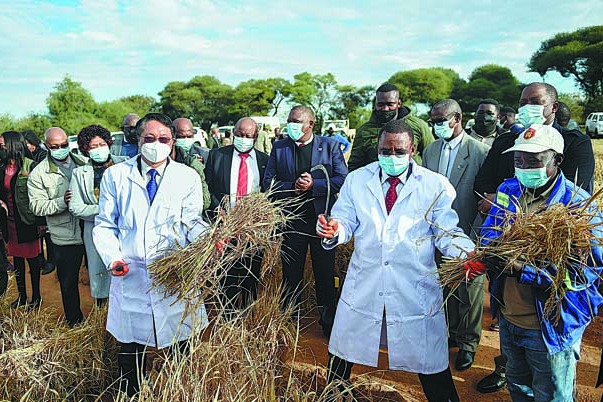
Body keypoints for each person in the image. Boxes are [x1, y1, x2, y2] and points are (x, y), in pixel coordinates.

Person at [317, 119, 479, 402]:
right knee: (342, 354)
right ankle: (332, 396)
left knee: (429, 360)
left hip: (412, 286)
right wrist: (335, 229)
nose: (391, 157)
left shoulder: (434, 185)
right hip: (365, 282)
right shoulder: (358, 180)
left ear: (413, 148)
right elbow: (344, 219)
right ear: (377, 148)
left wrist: (466, 253)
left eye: (398, 151)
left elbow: (446, 231)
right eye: (385, 151)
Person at [474, 82, 595, 394]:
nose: (524, 166)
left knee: (552, 394)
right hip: (510, 320)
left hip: (550, 327)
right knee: (518, 388)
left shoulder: (576, 205)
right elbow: (490, 233)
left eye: (534, 160)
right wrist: (486, 254)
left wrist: (523, 269)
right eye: (519, 159)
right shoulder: (507, 191)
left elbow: (586, 274)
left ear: (556, 160)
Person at [93, 113, 209, 397]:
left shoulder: (187, 177)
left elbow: (192, 222)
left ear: (172, 143)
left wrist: (209, 241)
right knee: (131, 344)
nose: (156, 144)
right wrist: (113, 259)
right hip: (131, 271)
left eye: (163, 139)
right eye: (149, 138)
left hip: (175, 273)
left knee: (181, 339)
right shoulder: (116, 176)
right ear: (138, 139)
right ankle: (130, 392)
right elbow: (105, 225)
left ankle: (179, 390)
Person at [263, 105, 347, 337]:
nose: (292, 125)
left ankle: (328, 323)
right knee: (291, 274)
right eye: (290, 120)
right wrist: (293, 188)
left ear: (311, 124)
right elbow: (267, 183)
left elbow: (342, 178)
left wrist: (315, 185)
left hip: (322, 223)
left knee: (324, 274)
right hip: (292, 222)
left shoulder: (330, 146)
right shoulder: (279, 147)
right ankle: (289, 321)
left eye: (297, 121)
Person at [422, 99, 490, 371]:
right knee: (445, 286)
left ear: (457, 118)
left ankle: (468, 344)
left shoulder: (480, 152)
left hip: (468, 230)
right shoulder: (430, 151)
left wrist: (474, 235)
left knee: (471, 291)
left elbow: (484, 198)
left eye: (441, 120)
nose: (437, 126)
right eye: (433, 121)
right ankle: (450, 334)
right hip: (437, 233)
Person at [204, 117, 269, 315]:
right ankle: (227, 313)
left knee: (251, 270)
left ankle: (248, 310)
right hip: (225, 225)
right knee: (226, 272)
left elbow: (268, 192)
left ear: (255, 137)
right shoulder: (217, 156)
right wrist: (217, 210)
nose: (243, 138)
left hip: (252, 229)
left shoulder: (264, 161)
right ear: (233, 133)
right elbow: (207, 187)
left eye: (248, 136)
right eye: (239, 134)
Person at [28, 127, 87, 326]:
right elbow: (36, 206)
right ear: (46, 146)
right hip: (64, 236)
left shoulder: (83, 163)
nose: (61, 149)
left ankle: (103, 319)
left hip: (90, 231)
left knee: (100, 278)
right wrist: (62, 201)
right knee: (68, 282)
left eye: (64, 145)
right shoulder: (39, 173)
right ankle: (74, 322)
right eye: (55, 147)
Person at [69, 125, 126, 307]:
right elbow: (76, 207)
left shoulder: (125, 164)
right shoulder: (79, 174)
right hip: (95, 231)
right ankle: (102, 319)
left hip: (126, 228)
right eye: (93, 147)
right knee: (101, 276)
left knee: (126, 273)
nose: (99, 149)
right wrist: (105, 212)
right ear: (85, 149)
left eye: (102, 144)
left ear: (109, 143)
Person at [0, 131, 44, 309]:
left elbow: (39, 196)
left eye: (2, 145)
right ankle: (22, 296)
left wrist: (41, 223)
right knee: (17, 259)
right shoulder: (2, 167)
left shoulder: (30, 166)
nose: (1, 148)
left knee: (33, 261)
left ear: (12, 145)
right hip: (9, 221)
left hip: (27, 220)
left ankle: (36, 297)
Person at [348, 82, 433, 170]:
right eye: (380, 104)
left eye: (390, 104)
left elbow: (432, 156)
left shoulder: (417, 125)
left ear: (399, 103)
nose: (385, 109)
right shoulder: (365, 131)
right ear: (375, 104)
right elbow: (355, 165)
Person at [23, 130, 56, 275]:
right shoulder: (26, 157)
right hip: (34, 200)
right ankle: (41, 259)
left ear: (33, 143)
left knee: (47, 233)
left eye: (27, 143)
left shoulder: (42, 156)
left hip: (46, 198)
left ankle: (51, 261)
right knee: (39, 233)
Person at [173, 118, 210, 209]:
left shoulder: (205, 154)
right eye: (181, 137)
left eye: (189, 136)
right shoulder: (166, 155)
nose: (185, 140)